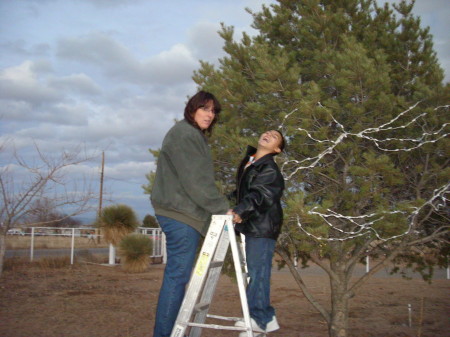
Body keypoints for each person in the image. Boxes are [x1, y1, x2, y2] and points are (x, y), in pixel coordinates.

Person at [150, 91, 230, 337]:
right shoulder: (185, 134)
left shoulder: (191, 134)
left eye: (213, 111)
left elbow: (197, 180)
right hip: (180, 213)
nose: (210, 114)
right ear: (192, 109)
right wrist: (222, 207)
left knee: (178, 276)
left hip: (182, 212)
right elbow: (196, 182)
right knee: (177, 276)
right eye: (205, 109)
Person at [228, 130, 285, 335]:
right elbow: (241, 193)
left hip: (262, 226)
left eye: (275, 137)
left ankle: (259, 318)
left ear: (276, 149)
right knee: (255, 273)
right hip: (254, 225)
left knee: (258, 273)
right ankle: (265, 318)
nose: (269, 134)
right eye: (268, 132)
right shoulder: (251, 163)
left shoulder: (269, 168)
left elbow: (261, 194)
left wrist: (240, 210)